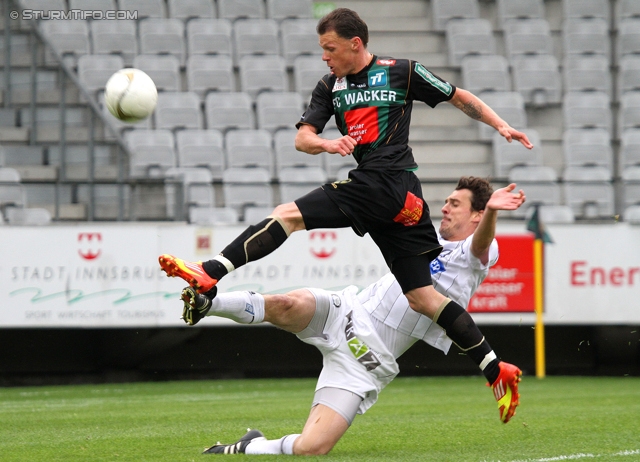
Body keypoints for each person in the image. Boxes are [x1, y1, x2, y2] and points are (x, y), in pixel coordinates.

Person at [159, 8, 532, 425]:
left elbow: (459, 97)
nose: (324, 57)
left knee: (288, 215)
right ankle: (495, 368)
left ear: (356, 44)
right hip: (407, 202)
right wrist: (326, 144)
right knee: (423, 297)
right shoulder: (329, 86)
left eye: (329, 48)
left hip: (382, 182)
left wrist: (502, 126)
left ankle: (210, 272)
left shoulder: (401, 72)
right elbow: (302, 139)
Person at [177, 177, 525, 455]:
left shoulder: (478, 252)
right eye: (446, 201)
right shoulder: (425, 237)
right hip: (346, 312)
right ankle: (208, 303)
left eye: (455, 203)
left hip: (365, 362)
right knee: (285, 304)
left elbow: (481, 243)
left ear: (477, 215)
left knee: (312, 448)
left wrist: (493, 211)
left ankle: (250, 445)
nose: (445, 207)